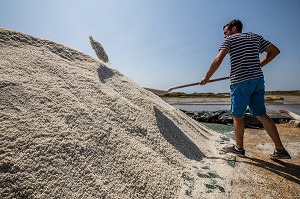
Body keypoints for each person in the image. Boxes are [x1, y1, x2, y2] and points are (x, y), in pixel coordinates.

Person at [200, 19, 291, 159]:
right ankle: (280, 150)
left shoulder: (230, 40)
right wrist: (258, 65)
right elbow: (275, 51)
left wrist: (207, 77)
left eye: (226, 33)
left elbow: (218, 59)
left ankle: (239, 148)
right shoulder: (255, 37)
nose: (224, 36)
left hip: (240, 82)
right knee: (262, 114)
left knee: (237, 115)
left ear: (234, 29)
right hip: (257, 81)